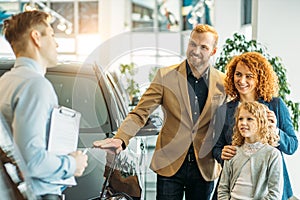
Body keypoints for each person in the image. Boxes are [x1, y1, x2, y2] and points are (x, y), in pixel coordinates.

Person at [93, 24, 227, 200]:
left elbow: (231, 120)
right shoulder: (165, 76)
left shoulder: (224, 82)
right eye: (193, 44)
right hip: (169, 165)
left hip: (205, 167)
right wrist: (121, 138)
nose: (195, 50)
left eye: (203, 47)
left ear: (213, 51)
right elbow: (140, 112)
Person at [0, 10, 88, 199]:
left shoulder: (5, 82)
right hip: (38, 194)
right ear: (36, 37)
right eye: (52, 35)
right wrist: (73, 164)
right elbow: (32, 162)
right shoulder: (35, 85)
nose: (56, 43)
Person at [212, 51, 298, 199]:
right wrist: (221, 153)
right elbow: (216, 147)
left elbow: (292, 146)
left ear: (260, 78)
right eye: (238, 74)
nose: (242, 80)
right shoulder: (224, 110)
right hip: (236, 187)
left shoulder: (275, 105)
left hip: (269, 189)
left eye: (249, 76)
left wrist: (275, 130)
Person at [218, 101, 283, 199]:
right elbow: (223, 189)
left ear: (261, 122)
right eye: (240, 119)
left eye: (249, 119)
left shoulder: (272, 154)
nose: (243, 123)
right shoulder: (232, 151)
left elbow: (275, 194)